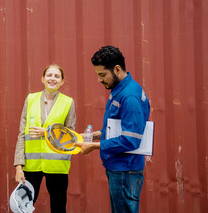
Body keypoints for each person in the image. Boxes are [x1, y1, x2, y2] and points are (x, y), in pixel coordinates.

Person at [75, 46, 150, 213]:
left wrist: (93, 146)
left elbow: (130, 140)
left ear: (117, 69)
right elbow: (116, 129)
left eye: (102, 75)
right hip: (119, 169)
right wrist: (90, 135)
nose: (100, 80)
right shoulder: (119, 89)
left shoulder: (129, 96)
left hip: (125, 171)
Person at [13, 64, 76, 213]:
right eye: (49, 75)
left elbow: (70, 136)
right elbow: (22, 133)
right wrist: (18, 166)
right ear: (43, 79)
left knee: (58, 207)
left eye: (56, 76)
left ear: (62, 81)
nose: (52, 79)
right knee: (24, 207)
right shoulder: (30, 99)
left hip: (57, 165)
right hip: (31, 165)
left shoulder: (68, 103)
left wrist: (47, 132)